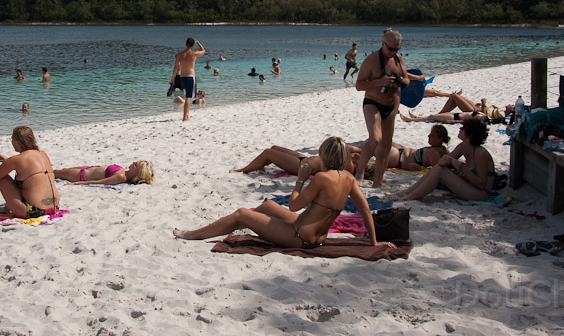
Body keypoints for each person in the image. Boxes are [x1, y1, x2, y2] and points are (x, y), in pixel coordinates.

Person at [175, 137, 389, 247]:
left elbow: (294, 205)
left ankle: (194, 234)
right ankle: (242, 225)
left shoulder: (323, 178)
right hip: (317, 236)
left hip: (299, 237)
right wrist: (374, 242)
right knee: (267, 206)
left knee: (241, 213)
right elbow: (366, 211)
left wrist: (301, 180)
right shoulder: (350, 179)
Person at [355, 28, 409, 187]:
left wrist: (403, 82)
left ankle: (377, 181)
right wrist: (380, 82)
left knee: (386, 145)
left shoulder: (398, 59)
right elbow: (359, 85)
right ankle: (360, 172)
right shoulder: (371, 60)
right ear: (383, 44)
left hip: (391, 104)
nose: (393, 52)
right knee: (375, 139)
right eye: (390, 48)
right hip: (373, 103)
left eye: (397, 49)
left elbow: (406, 78)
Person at [395, 118, 496, 201]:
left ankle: (410, 197)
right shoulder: (462, 146)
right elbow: (442, 162)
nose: (460, 128)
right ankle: (408, 192)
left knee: (440, 170)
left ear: (470, 134)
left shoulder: (480, 154)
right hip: (469, 187)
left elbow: (482, 184)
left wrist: (463, 169)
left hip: (481, 194)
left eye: (464, 128)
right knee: (438, 168)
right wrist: (445, 161)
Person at [0, 126, 60, 218]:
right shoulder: (42, 154)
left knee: (1, 178)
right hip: (54, 207)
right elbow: (28, 170)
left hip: (34, 211)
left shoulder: (16, 160)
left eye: (12, 139)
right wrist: (7, 161)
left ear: (17, 141)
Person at [233, 144, 357, 177]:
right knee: (274, 148)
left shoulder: (348, 165)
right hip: (304, 158)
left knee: (268, 153)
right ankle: (258, 164)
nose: (356, 156)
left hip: (302, 165)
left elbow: (349, 148)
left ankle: (244, 169)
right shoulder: (348, 157)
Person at [374, 125, 451, 171]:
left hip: (399, 159)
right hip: (403, 151)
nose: (428, 136)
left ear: (441, 139)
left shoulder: (434, 153)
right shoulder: (443, 149)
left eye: (432, 135)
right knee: (379, 141)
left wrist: (420, 168)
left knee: (375, 144)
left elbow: (436, 170)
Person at [170, 37, 206, 121]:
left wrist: (172, 79)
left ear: (186, 44)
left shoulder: (179, 54)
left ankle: (186, 115)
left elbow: (175, 67)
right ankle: (185, 116)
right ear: (192, 46)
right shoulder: (194, 54)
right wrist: (198, 42)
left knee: (187, 95)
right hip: (190, 77)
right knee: (188, 97)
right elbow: (203, 50)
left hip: (182, 77)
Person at [53, 160, 155, 185]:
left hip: (81, 175)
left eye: (135, 164)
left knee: (54, 173)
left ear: (136, 172)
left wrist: (77, 183)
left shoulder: (121, 177)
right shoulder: (124, 172)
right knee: (59, 171)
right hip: (86, 169)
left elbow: (101, 182)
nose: (133, 162)